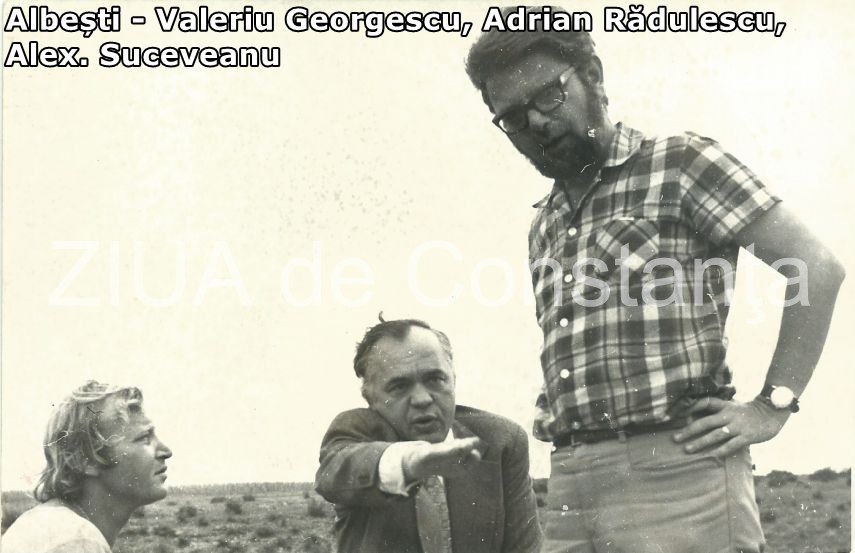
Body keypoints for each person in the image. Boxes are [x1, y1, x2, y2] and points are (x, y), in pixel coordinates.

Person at [464, 7, 845, 553]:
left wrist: (772, 405)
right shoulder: (545, 222)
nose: (537, 124)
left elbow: (815, 266)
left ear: (592, 75)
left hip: (680, 474)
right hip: (570, 483)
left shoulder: (679, 163)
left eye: (548, 96)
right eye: (514, 118)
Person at [315, 317, 543, 553]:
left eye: (435, 379)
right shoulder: (356, 430)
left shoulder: (502, 440)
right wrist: (409, 464)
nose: (422, 399)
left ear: (453, 379)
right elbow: (334, 472)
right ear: (370, 398)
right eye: (399, 386)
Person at [2, 381, 173, 553]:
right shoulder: (78, 541)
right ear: (85, 460)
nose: (166, 452)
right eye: (144, 438)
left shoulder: (49, 525)